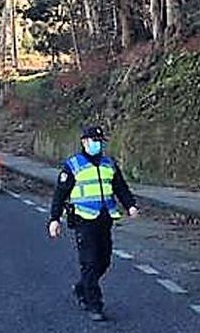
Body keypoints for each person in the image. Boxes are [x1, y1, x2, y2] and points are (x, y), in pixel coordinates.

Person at [48, 125, 139, 322]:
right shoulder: (73, 165)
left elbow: (120, 187)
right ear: (84, 142)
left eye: (99, 141)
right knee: (89, 261)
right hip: (83, 219)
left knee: (104, 261)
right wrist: (55, 219)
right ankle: (94, 304)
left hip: (105, 218)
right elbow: (60, 194)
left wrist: (130, 205)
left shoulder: (109, 164)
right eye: (94, 141)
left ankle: (82, 287)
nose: (97, 144)